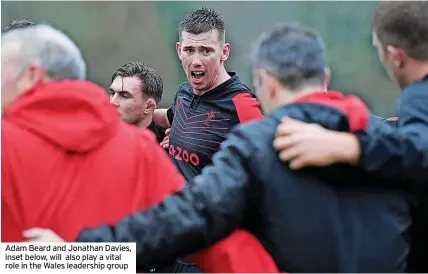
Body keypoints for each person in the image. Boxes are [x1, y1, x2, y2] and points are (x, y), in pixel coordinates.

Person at [26, 22, 415, 273]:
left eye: (206, 51)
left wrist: (79, 252)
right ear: (325, 77)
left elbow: (185, 217)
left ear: (265, 83)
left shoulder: (257, 144)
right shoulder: (396, 147)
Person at [272, 1, 428, 272]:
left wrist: (349, 147)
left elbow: (420, 149)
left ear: (396, 56)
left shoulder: (418, 98)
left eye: (379, 52)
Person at [152, 7, 264, 180]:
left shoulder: (242, 105)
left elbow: (268, 163)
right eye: (189, 50)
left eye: (206, 51)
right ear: (179, 51)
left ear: (224, 52)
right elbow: (170, 117)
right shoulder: (184, 92)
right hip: (174, 203)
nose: (196, 61)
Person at [109, 61, 166, 143]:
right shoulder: (96, 139)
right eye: (112, 93)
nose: (112, 102)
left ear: (148, 106)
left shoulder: (170, 148)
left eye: (124, 96)